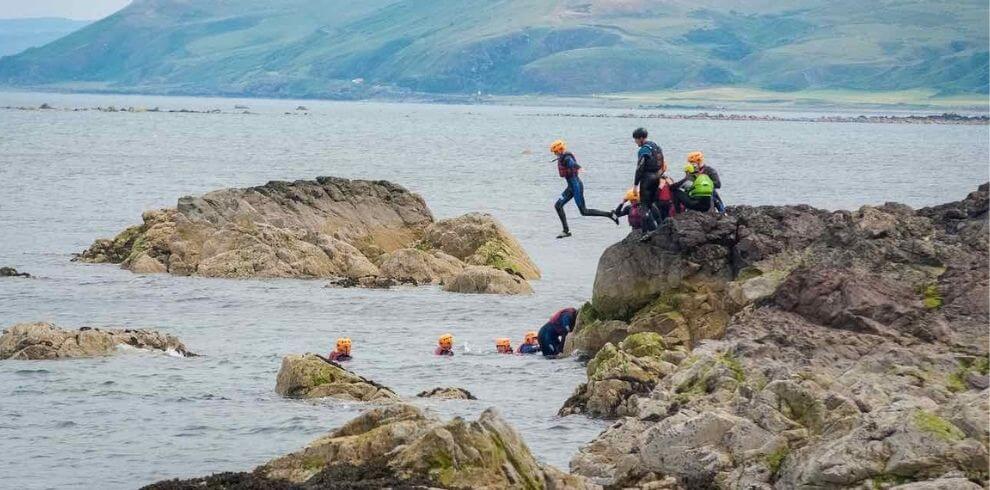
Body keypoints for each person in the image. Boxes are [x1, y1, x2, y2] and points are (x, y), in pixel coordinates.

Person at [550, 139, 619, 239]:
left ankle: (610, 214)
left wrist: (579, 167)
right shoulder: (562, 157)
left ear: (560, 149)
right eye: (554, 152)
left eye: (556, 152)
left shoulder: (566, 158)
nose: (555, 154)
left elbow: (571, 163)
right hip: (571, 187)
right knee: (558, 205)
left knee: (584, 211)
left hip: (576, 186)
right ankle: (566, 231)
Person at [632, 128, 665, 234]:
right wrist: (658, 176)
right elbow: (662, 164)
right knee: (651, 204)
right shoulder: (656, 146)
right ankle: (660, 227)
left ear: (641, 138)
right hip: (657, 177)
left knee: (644, 207)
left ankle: (646, 233)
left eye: (636, 139)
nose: (635, 142)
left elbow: (640, 167)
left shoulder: (643, 149)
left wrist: (635, 184)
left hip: (647, 179)